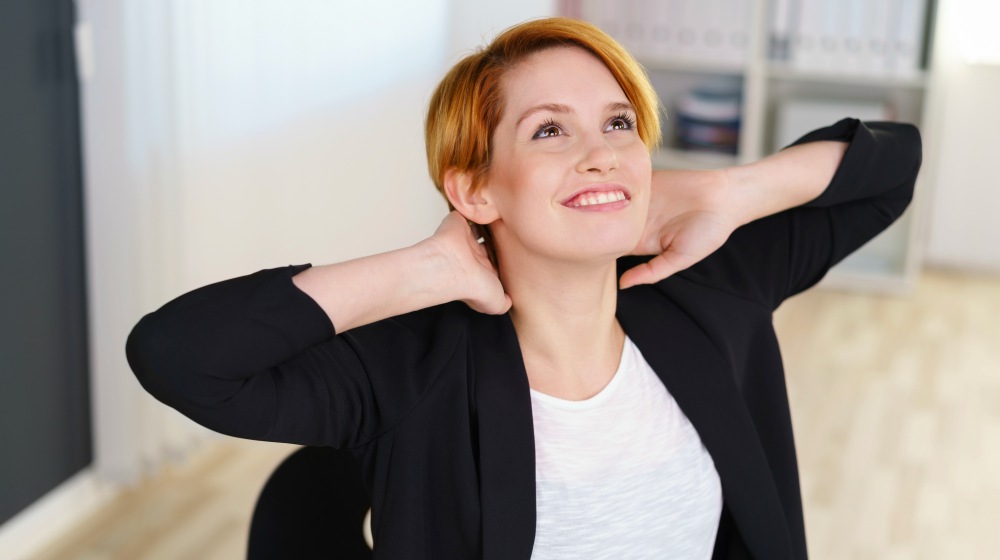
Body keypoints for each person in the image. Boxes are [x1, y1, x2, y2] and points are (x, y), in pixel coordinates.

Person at [126, 17, 921, 560]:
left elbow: (890, 168)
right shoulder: (410, 371)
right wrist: (426, 266)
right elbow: (179, 355)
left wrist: (725, 194)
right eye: (549, 130)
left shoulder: (711, 291)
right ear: (476, 191)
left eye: (619, 124)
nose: (602, 152)